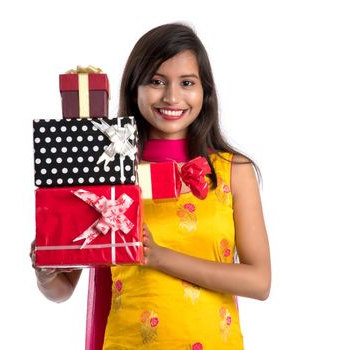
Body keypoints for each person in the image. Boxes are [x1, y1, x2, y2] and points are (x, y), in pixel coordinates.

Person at [31, 22, 271, 349]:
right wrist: (46, 273)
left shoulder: (232, 171)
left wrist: (160, 257)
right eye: (156, 82)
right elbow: (63, 288)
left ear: (205, 92)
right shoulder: (107, 171)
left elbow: (259, 281)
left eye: (187, 83)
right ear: (134, 89)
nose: (172, 96)